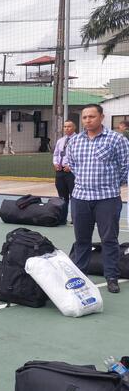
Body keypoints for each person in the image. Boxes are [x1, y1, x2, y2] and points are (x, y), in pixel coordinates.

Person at [67, 104, 129, 294]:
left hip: (107, 199)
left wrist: (110, 185)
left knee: (109, 239)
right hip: (80, 198)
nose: (87, 120)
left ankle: (111, 276)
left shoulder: (116, 140)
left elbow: (125, 166)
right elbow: (73, 165)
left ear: (101, 117)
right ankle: (80, 275)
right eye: (85, 117)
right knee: (81, 240)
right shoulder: (75, 141)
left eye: (92, 117)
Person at [52, 120, 77, 225]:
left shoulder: (78, 140)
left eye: (69, 126)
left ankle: (75, 219)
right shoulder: (60, 140)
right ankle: (62, 218)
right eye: (65, 126)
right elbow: (56, 154)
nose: (67, 128)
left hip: (72, 172)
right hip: (60, 171)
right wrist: (55, 163)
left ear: (74, 128)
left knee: (74, 196)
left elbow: (80, 156)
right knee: (62, 197)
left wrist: (71, 166)